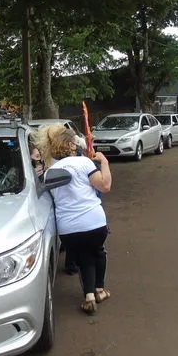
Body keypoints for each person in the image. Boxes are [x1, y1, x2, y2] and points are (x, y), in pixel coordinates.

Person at [37, 124, 111, 314]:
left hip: (68, 228)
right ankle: (99, 290)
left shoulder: (49, 172)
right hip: (94, 221)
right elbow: (104, 186)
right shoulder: (84, 163)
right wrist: (103, 162)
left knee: (84, 259)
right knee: (98, 252)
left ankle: (88, 296)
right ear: (70, 145)